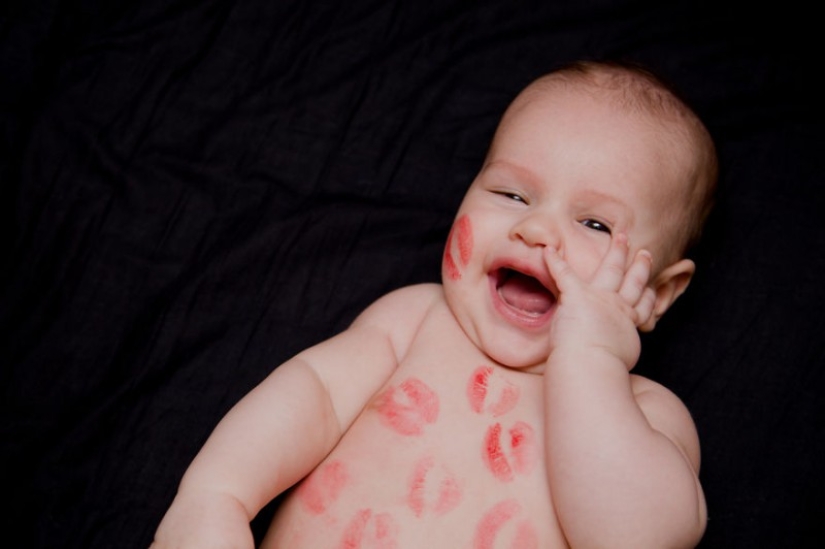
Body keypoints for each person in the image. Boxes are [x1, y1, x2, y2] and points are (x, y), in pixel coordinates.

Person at [150, 60, 717, 549]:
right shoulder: (415, 321)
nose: (537, 228)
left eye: (594, 223)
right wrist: (216, 495)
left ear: (660, 291)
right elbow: (312, 397)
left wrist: (590, 356)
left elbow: (635, 537)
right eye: (511, 193)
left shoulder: (648, 414)